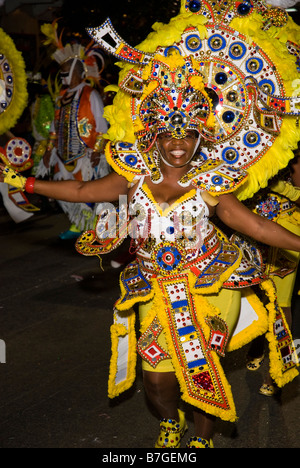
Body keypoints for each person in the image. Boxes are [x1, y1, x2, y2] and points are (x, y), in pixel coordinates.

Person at [1, 52, 300, 448]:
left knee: (201, 366)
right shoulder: (133, 176)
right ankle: (169, 422)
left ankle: (202, 441)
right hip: (153, 284)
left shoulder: (210, 182)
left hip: (209, 284)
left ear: (201, 136)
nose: (179, 145)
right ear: (154, 135)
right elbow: (80, 191)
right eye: (170, 135)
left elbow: (257, 226)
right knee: (156, 379)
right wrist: (27, 184)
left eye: (189, 134)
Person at [36, 23, 110, 239]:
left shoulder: (90, 95)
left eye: (67, 74)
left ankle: (93, 227)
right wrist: (49, 150)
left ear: (78, 72)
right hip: (62, 154)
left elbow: (102, 125)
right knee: (63, 191)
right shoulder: (61, 97)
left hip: (84, 154)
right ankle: (78, 225)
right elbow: (54, 126)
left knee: (86, 191)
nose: (63, 79)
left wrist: (97, 151)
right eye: (61, 75)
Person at [245, 152, 300, 395]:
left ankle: (277, 369)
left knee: (280, 303)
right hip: (247, 231)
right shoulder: (243, 144)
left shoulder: (293, 152)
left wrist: (280, 187)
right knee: (252, 296)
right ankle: (258, 345)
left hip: (284, 235)